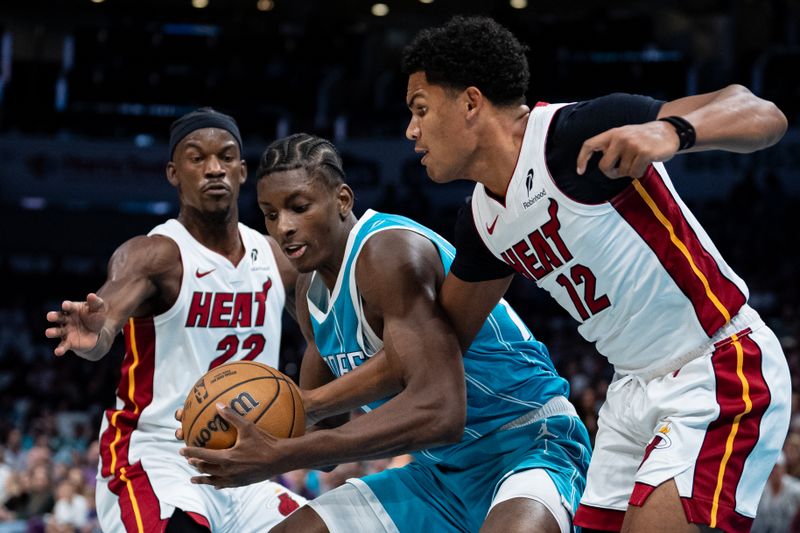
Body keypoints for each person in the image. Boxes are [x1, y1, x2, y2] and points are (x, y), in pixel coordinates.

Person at [400, 15, 791, 533]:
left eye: (421, 110)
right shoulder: (481, 222)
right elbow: (443, 340)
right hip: (628, 393)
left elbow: (764, 113)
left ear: (471, 103)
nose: (411, 130)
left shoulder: (574, 135)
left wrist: (671, 131)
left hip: (715, 364)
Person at [180, 133, 591, 533]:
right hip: (438, 474)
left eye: (299, 207)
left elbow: (441, 413)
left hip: (527, 444)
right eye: (270, 214)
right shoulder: (308, 295)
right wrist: (231, 423)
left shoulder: (389, 253)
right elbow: (319, 433)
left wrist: (283, 453)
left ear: (342, 200)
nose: (283, 226)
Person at [44, 108, 305, 532]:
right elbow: (107, 317)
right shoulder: (155, 254)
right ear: (173, 172)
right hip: (160, 459)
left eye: (225, 157)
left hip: (247, 467)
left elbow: (324, 330)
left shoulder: (276, 257)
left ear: (242, 171)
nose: (214, 168)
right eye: (196, 158)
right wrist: (97, 334)